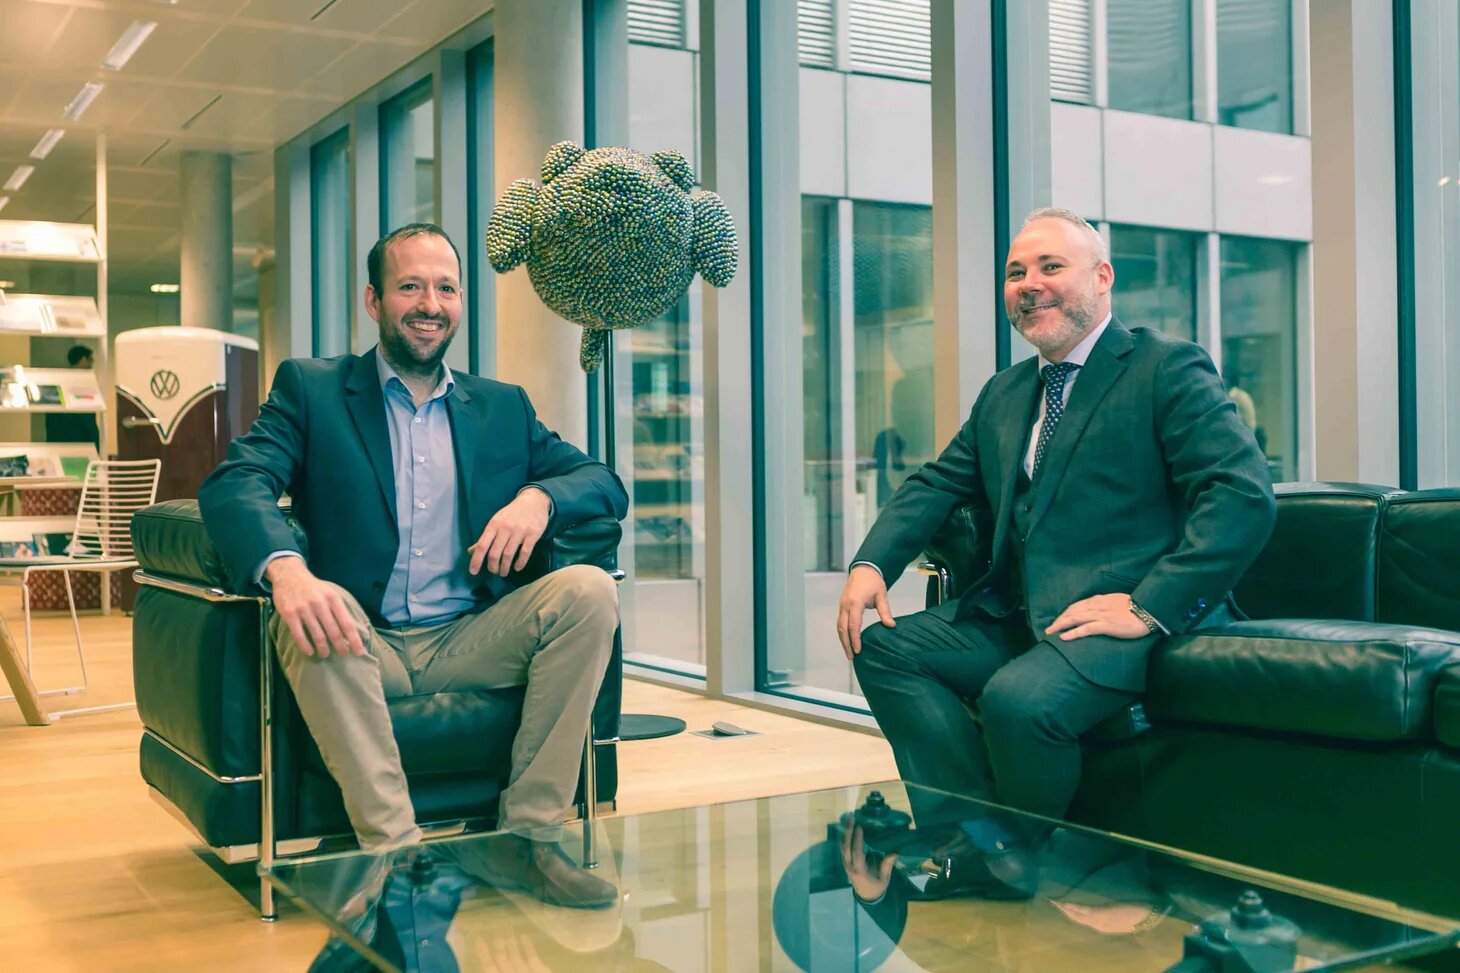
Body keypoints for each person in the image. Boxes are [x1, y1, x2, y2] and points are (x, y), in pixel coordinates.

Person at [835, 207, 1275, 897]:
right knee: (884, 647)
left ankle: (1000, 862)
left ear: (1102, 278)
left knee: (1018, 701)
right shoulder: (1006, 393)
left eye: (1050, 266)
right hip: (1020, 615)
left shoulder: (1165, 367)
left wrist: (1149, 606)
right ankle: (975, 844)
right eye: (1016, 272)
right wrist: (870, 564)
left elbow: (1242, 492)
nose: (1029, 283)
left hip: (1126, 619)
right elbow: (936, 482)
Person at [199, 223, 628, 909]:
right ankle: (397, 860)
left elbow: (603, 480)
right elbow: (236, 481)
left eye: (446, 289)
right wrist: (288, 571)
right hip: (361, 637)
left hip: (469, 638)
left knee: (588, 590)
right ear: (374, 300)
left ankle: (524, 840)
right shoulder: (312, 389)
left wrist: (539, 499)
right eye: (410, 287)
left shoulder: (501, 407)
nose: (430, 304)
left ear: (460, 303)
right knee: (315, 614)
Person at [44, 344, 100, 449]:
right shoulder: (83, 384)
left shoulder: (57, 382)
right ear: (83, 359)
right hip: (81, 441)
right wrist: (97, 443)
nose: (92, 364)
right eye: (90, 360)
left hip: (58, 441)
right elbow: (87, 419)